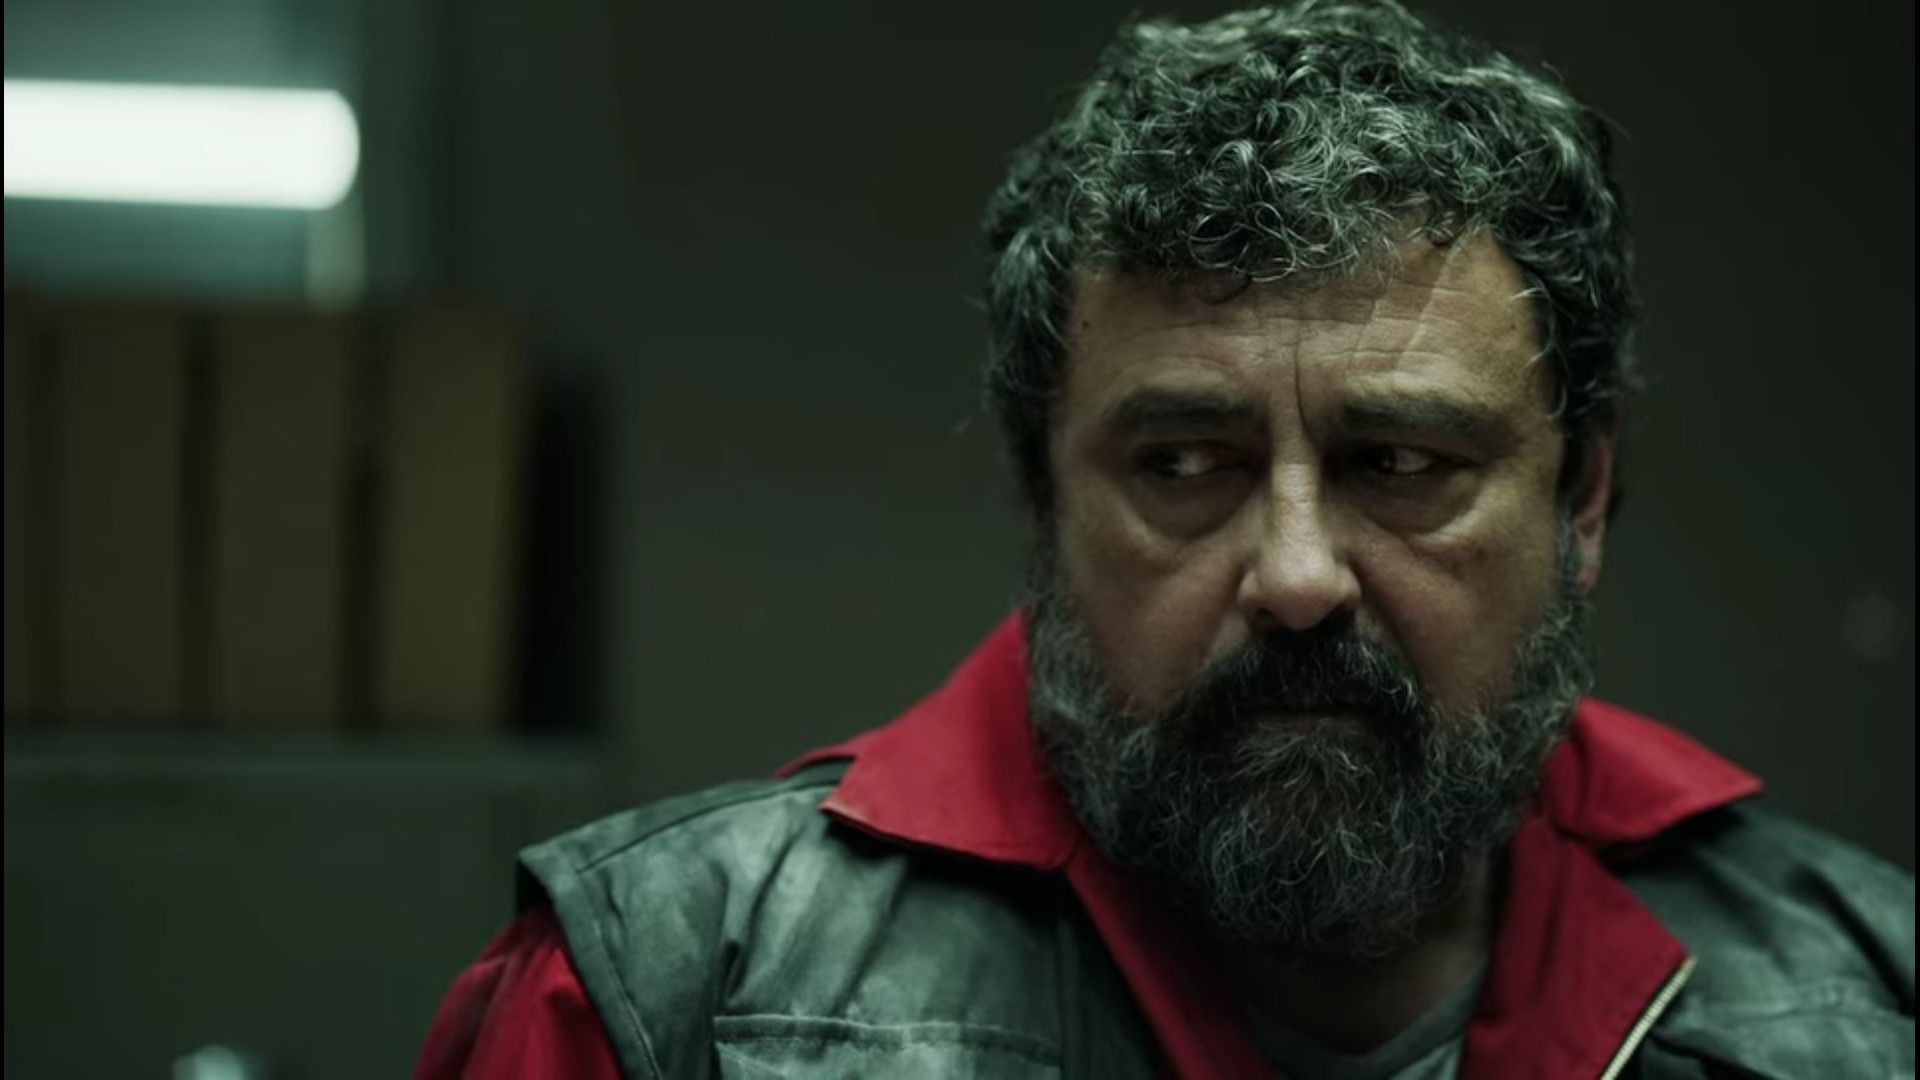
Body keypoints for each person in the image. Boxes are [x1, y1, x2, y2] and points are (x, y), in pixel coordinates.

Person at [416, 3, 1914, 1076]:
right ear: (1044, 493)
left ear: (1580, 496)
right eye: (1185, 465)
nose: (1297, 578)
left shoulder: (1870, 1001)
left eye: (1402, 464)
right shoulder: (661, 999)